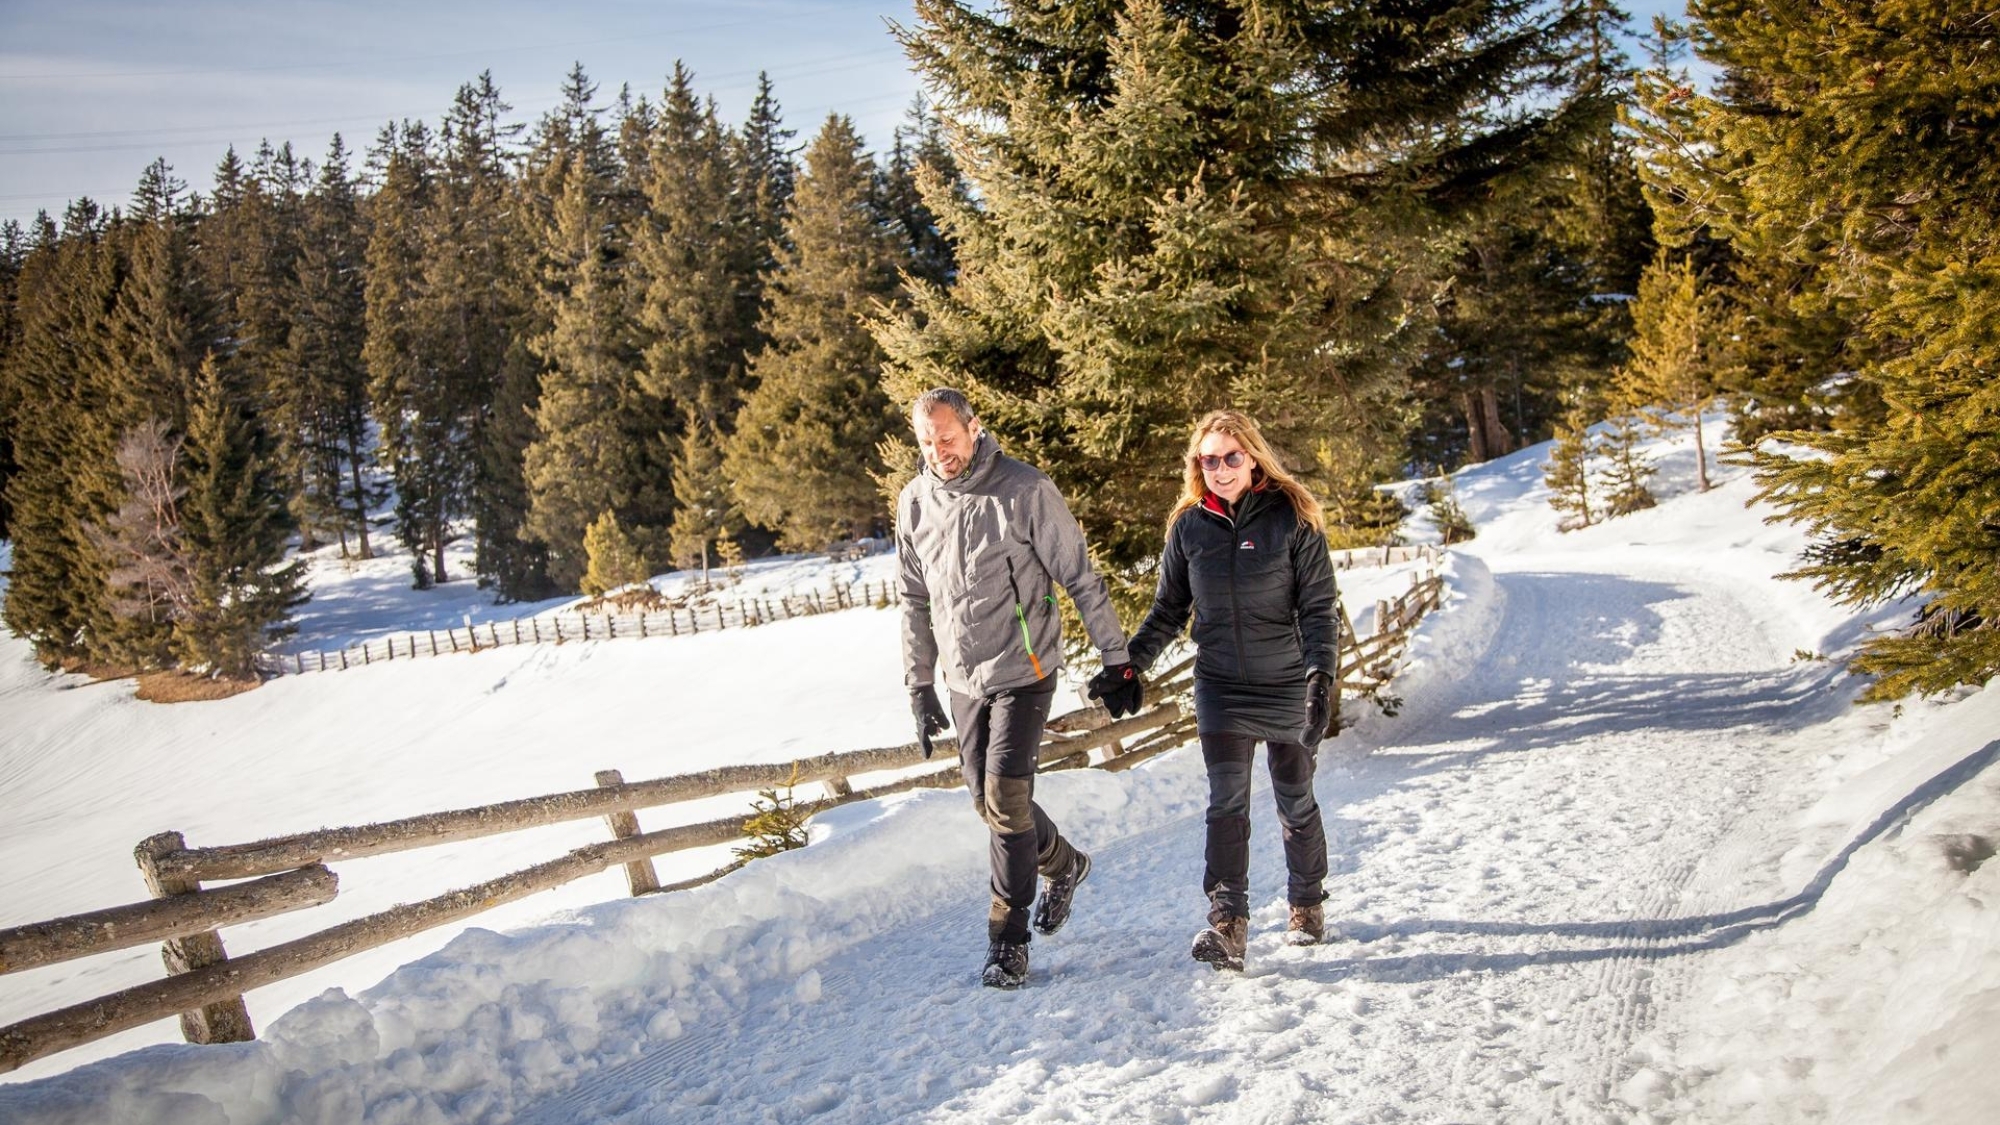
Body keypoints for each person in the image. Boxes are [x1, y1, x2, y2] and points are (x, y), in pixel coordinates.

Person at [896, 387, 1145, 989]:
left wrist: (1119, 659)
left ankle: (1007, 941)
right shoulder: (914, 502)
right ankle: (1067, 864)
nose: (939, 452)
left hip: (1025, 668)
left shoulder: (1024, 489)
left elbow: (1080, 576)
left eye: (947, 438)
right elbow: (912, 597)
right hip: (962, 678)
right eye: (927, 442)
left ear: (974, 428)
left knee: (1005, 797)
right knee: (987, 804)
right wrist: (920, 684)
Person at [1124, 409, 1339, 971]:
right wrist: (1130, 666)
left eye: (1230, 457)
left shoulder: (1292, 517)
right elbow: (1169, 609)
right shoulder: (1189, 527)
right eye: (1208, 459)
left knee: (1294, 800)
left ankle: (1307, 902)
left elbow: (1319, 610)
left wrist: (1321, 679)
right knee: (1226, 805)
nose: (1219, 468)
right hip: (1220, 685)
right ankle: (1228, 923)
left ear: (1253, 457)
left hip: (1287, 681)